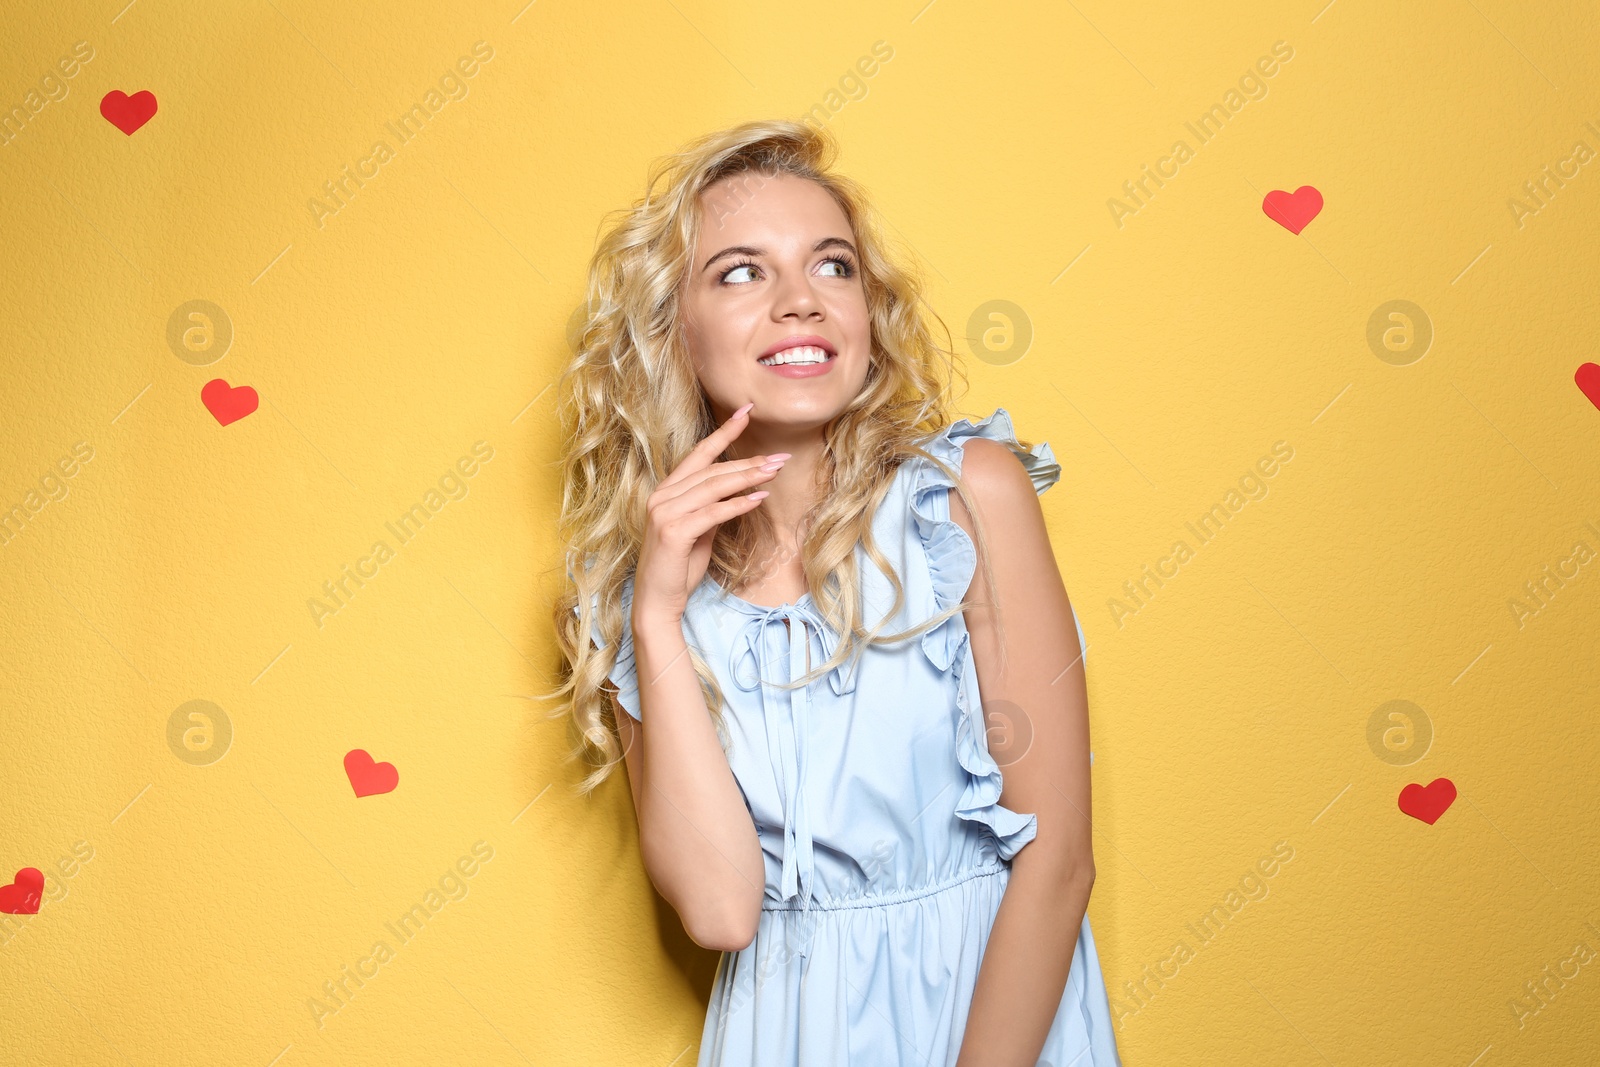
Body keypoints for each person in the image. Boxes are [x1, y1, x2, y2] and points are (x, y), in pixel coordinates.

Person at [550, 118, 1121, 1066]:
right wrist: (655, 616)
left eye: (833, 266)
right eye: (741, 272)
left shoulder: (965, 500)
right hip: (783, 1033)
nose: (800, 302)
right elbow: (723, 909)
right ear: (673, 331)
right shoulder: (629, 598)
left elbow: (1058, 864)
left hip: (995, 1024)